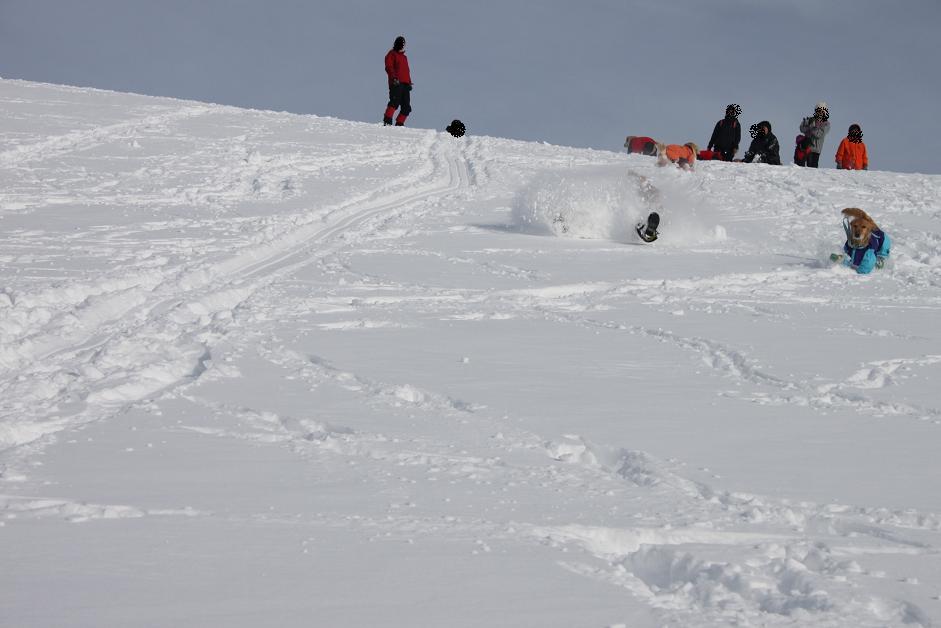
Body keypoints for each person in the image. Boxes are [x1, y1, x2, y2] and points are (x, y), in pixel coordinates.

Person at [383, 35, 412, 126]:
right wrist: (393, 78)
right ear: (397, 44)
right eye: (401, 44)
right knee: (394, 103)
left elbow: (407, 71)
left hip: (405, 84)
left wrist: (409, 82)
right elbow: (389, 67)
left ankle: (399, 125)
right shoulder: (391, 54)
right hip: (396, 83)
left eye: (404, 44)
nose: (403, 45)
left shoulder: (404, 57)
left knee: (406, 108)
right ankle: (387, 122)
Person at [798, 102, 831, 168]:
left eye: (822, 111)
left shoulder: (826, 124)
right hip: (806, 147)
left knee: (813, 168)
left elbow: (818, 134)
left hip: (816, 150)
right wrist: (809, 126)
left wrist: (810, 127)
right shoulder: (810, 119)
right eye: (818, 110)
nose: (820, 112)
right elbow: (801, 128)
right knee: (801, 167)